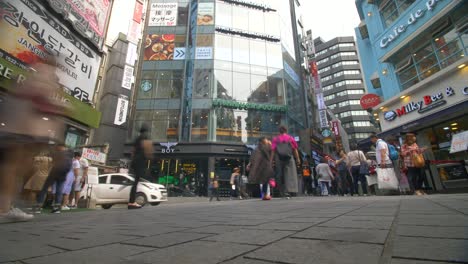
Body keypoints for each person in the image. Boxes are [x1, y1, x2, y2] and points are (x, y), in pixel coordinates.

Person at [0, 60, 64, 221]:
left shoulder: (34, 72)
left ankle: (6, 205)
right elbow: (41, 99)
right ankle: (4, 207)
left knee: (14, 168)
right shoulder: (43, 74)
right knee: (14, 168)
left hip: (17, 127)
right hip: (21, 129)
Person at [34, 144, 73, 214]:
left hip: (55, 172)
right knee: (59, 190)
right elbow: (69, 166)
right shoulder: (69, 155)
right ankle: (56, 208)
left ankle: (38, 207)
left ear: (60, 147)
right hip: (63, 174)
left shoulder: (58, 153)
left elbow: (53, 162)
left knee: (45, 188)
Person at [270, 126, 300, 198]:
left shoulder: (275, 139)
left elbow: (273, 151)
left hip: (279, 158)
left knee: (279, 174)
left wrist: (271, 160)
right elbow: (295, 149)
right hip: (289, 157)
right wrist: (298, 159)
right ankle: (289, 190)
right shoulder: (290, 138)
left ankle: (280, 191)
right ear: (286, 131)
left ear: (279, 131)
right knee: (290, 174)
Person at [129, 124, 153, 209]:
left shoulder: (137, 139)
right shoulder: (145, 137)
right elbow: (148, 148)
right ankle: (132, 202)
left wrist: (132, 160)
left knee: (136, 181)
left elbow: (133, 151)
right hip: (140, 162)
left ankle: (132, 201)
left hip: (135, 162)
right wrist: (149, 156)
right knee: (142, 179)